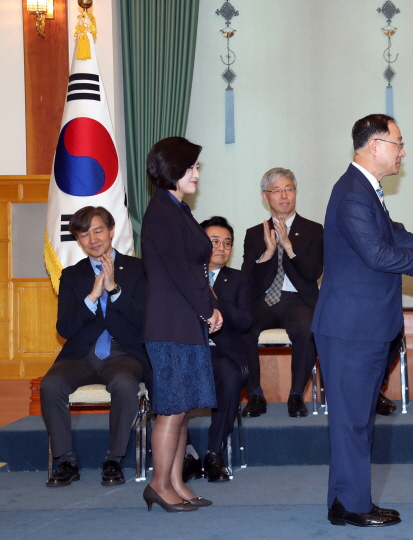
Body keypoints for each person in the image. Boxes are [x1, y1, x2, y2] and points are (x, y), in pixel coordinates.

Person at [311, 113, 413, 527]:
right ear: (374, 145)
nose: (403, 151)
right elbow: (377, 254)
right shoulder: (353, 192)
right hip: (350, 328)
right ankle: (355, 505)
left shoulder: (364, 190)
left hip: (362, 325)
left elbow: (393, 234)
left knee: (353, 419)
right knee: (353, 420)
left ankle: (345, 500)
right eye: (398, 143)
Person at [41, 206, 150, 488]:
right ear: (78, 240)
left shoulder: (139, 269)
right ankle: (66, 461)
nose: (92, 239)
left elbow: (146, 321)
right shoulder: (72, 275)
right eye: (83, 234)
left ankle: (113, 459)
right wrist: (92, 296)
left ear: (112, 231)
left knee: (125, 385)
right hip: (81, 355)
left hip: (124, 354)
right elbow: (64, 328)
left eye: (98, 230)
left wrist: (114, 290)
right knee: (51, 384)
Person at [141, 136, 221, 512]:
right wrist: (207, 309)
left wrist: (209, 307)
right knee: (172, 407)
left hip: (186, 320)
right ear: (174, 170)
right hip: (170, 322)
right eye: (192, 168)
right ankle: (158, 484)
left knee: (183, 406)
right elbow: (180, 271)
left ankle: (176, 482)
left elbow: (195, 270)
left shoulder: (178, 209)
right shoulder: (161, 212)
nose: (197, 174)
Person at [241, 167, 324, 418]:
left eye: (289, 189)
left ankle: (296, 395)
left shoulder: (313, 229)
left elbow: (313, 272)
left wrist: (289, 248)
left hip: (298, 300)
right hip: (264, 301)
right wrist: (266, 255)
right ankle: (255, 394)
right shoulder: (255, 233)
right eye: (277, 190)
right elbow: (247, 281)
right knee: (242, 325)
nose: (284, 195)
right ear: (266, 197)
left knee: (308, 327)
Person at [183, 217, 254, 483]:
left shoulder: (239, 281)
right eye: (214, 242)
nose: (222, 248)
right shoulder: (182, 278)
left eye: (227, 243)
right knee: (165, 375)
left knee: (230, 375)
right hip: (188, 351)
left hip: (222, 352)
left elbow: (245, 322)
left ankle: (215, 453)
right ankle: (187, 455)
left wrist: (214, 297)